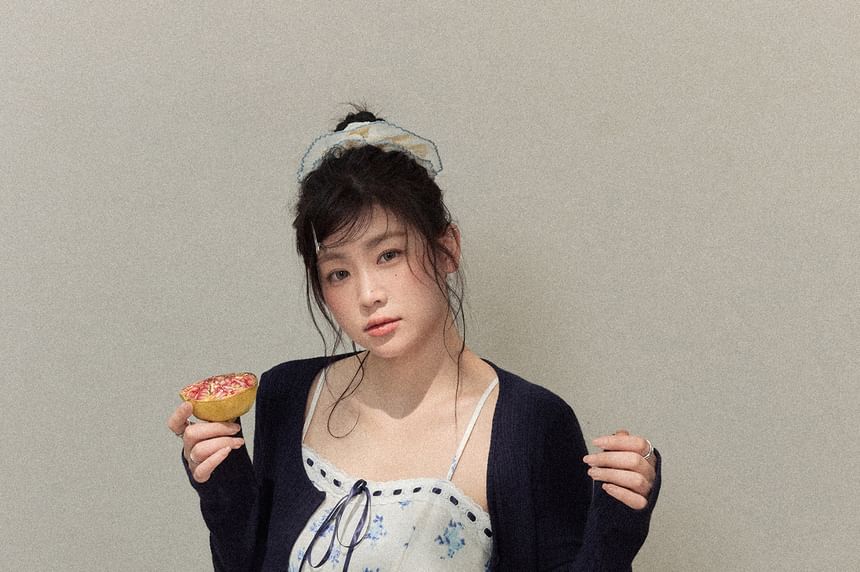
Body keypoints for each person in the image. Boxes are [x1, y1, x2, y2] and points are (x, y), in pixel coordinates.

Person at [167, 110, 661, 572]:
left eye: (388, 255)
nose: (368, 295)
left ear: (446, 249)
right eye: (338, 272)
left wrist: (617, 524)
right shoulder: (288, 394)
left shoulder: (530, 424)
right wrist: (221, 478)